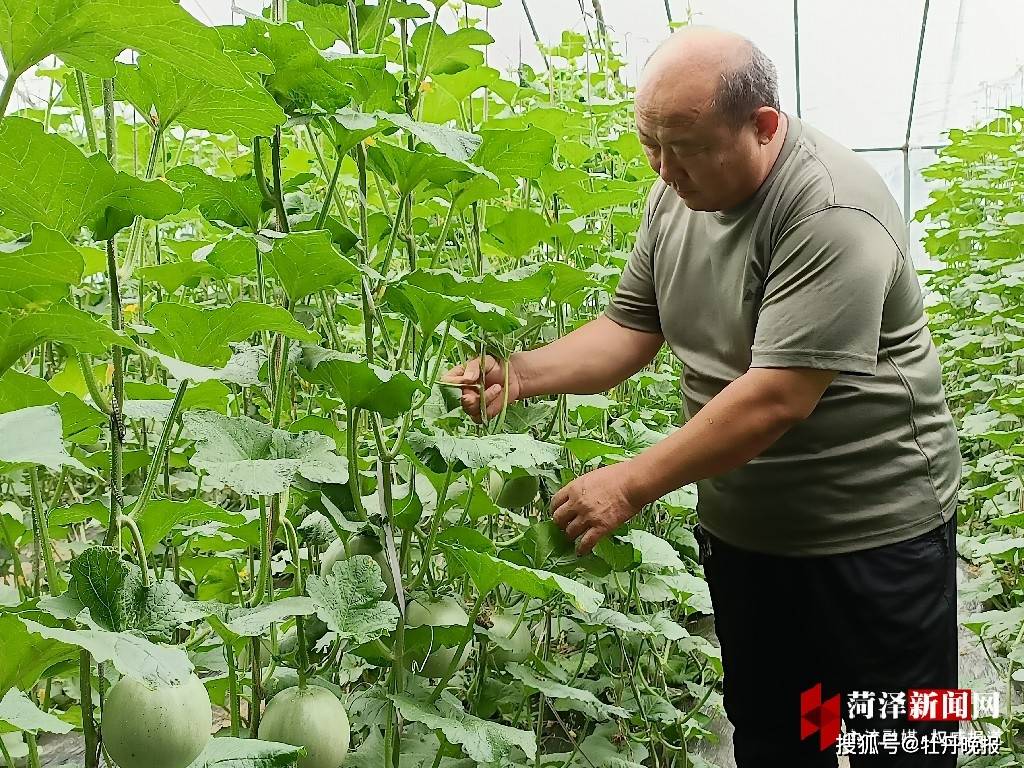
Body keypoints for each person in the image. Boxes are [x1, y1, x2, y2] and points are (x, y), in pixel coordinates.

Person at [443, 25, 962, 768]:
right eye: (649, 142)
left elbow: (776, 398)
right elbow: (629, 328)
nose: (662, 167)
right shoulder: (675, 195)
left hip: (873, 540)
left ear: (763, 127)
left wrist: (629, 482)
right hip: (750, 535)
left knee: (889, 747)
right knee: (777, 732)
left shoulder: (831, 211)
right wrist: (519, 373)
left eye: (683, 145)